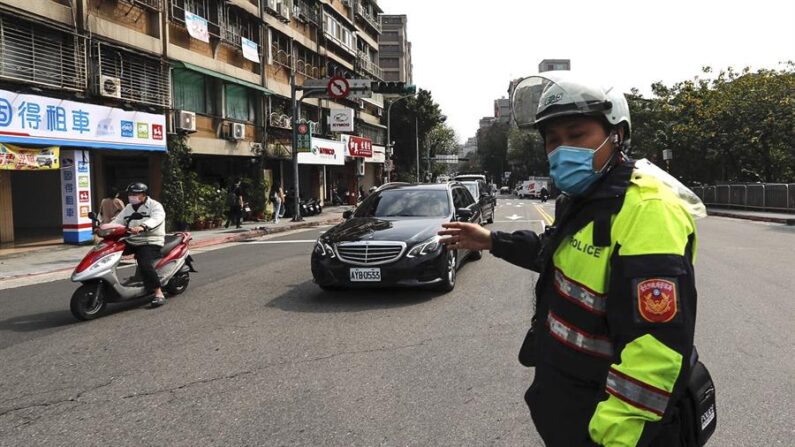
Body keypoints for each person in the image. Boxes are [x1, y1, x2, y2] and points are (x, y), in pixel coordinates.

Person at [439, 72, 706, 446]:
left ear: (617, 135)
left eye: (577, 135)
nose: (562, 150)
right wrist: (492, 240)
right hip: (572, 408)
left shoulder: (647, 209)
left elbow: (655, 352)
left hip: (611, 428)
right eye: (553, 140)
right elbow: (558, 255)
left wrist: (613, 438)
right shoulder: (583, 198)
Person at [113, 182, 167, 307]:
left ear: (144, 195)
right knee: (110, 253)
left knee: (144, 263)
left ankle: (158, 293)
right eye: (130, 194)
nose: (132, 196)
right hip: (132, 239)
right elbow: (117, 221)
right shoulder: (128, 207)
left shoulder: (155, 206)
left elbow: (157, 219)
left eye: (135, 194)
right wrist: (105, 228)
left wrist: (143, 226)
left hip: (150, 240)